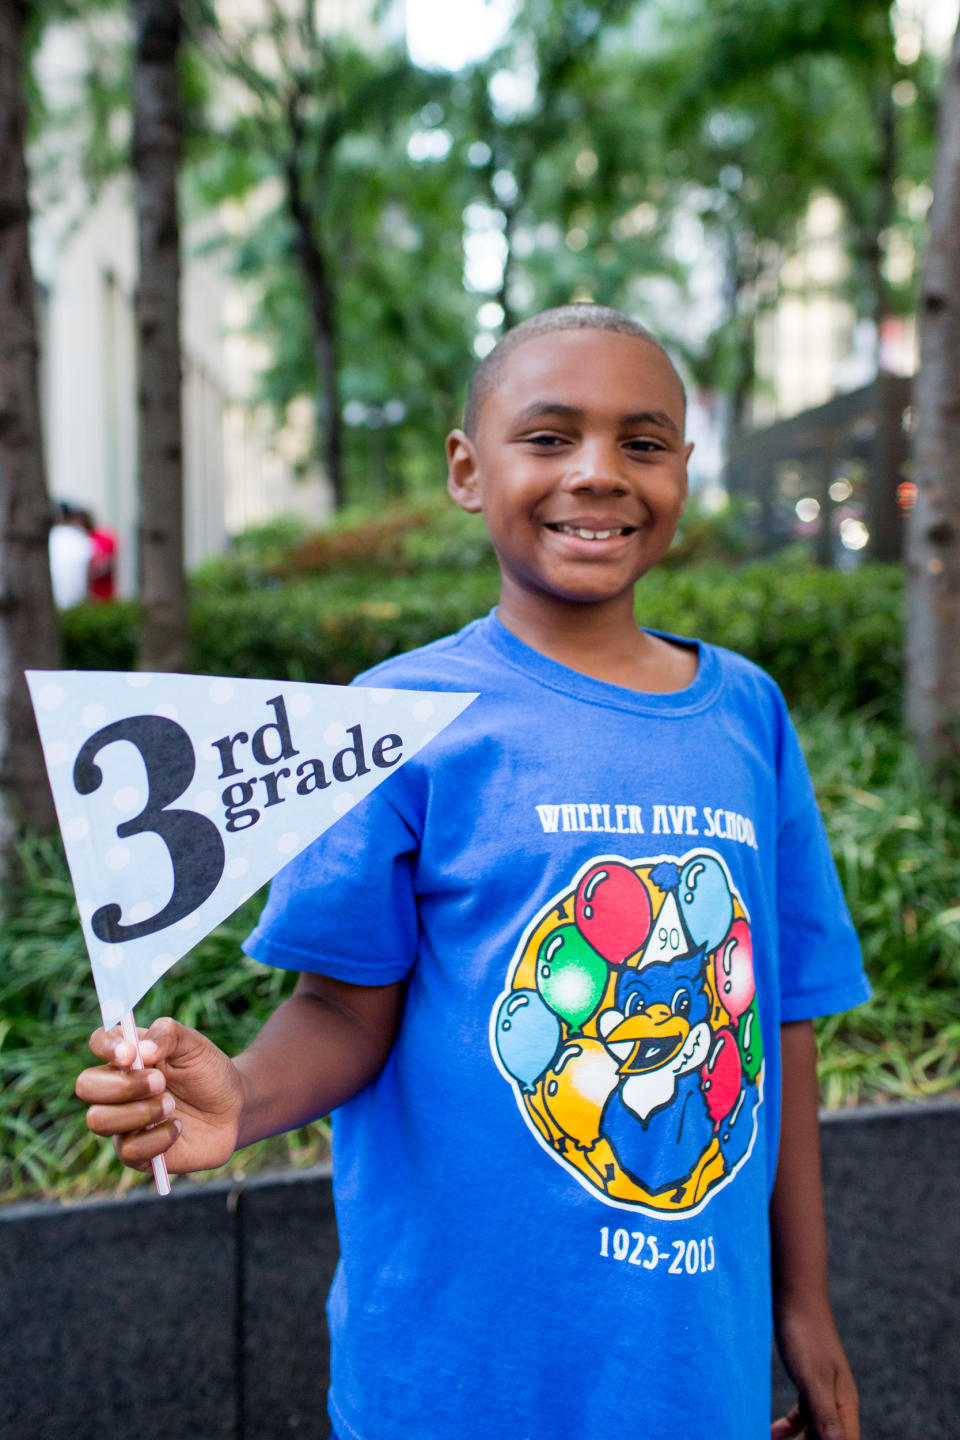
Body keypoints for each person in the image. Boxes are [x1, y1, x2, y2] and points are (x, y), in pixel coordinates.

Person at [77, 305, 869, 1440]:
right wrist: (239, 1098)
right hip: (448, 1382)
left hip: (696, 1377)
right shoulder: (396, 720)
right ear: (466, 467)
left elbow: (777, 1026)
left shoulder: (748, 713)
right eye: (549, 438)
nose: (597, 474)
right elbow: (345, 1011)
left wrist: (808, 1310)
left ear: (685, 474)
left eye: (642, 444)